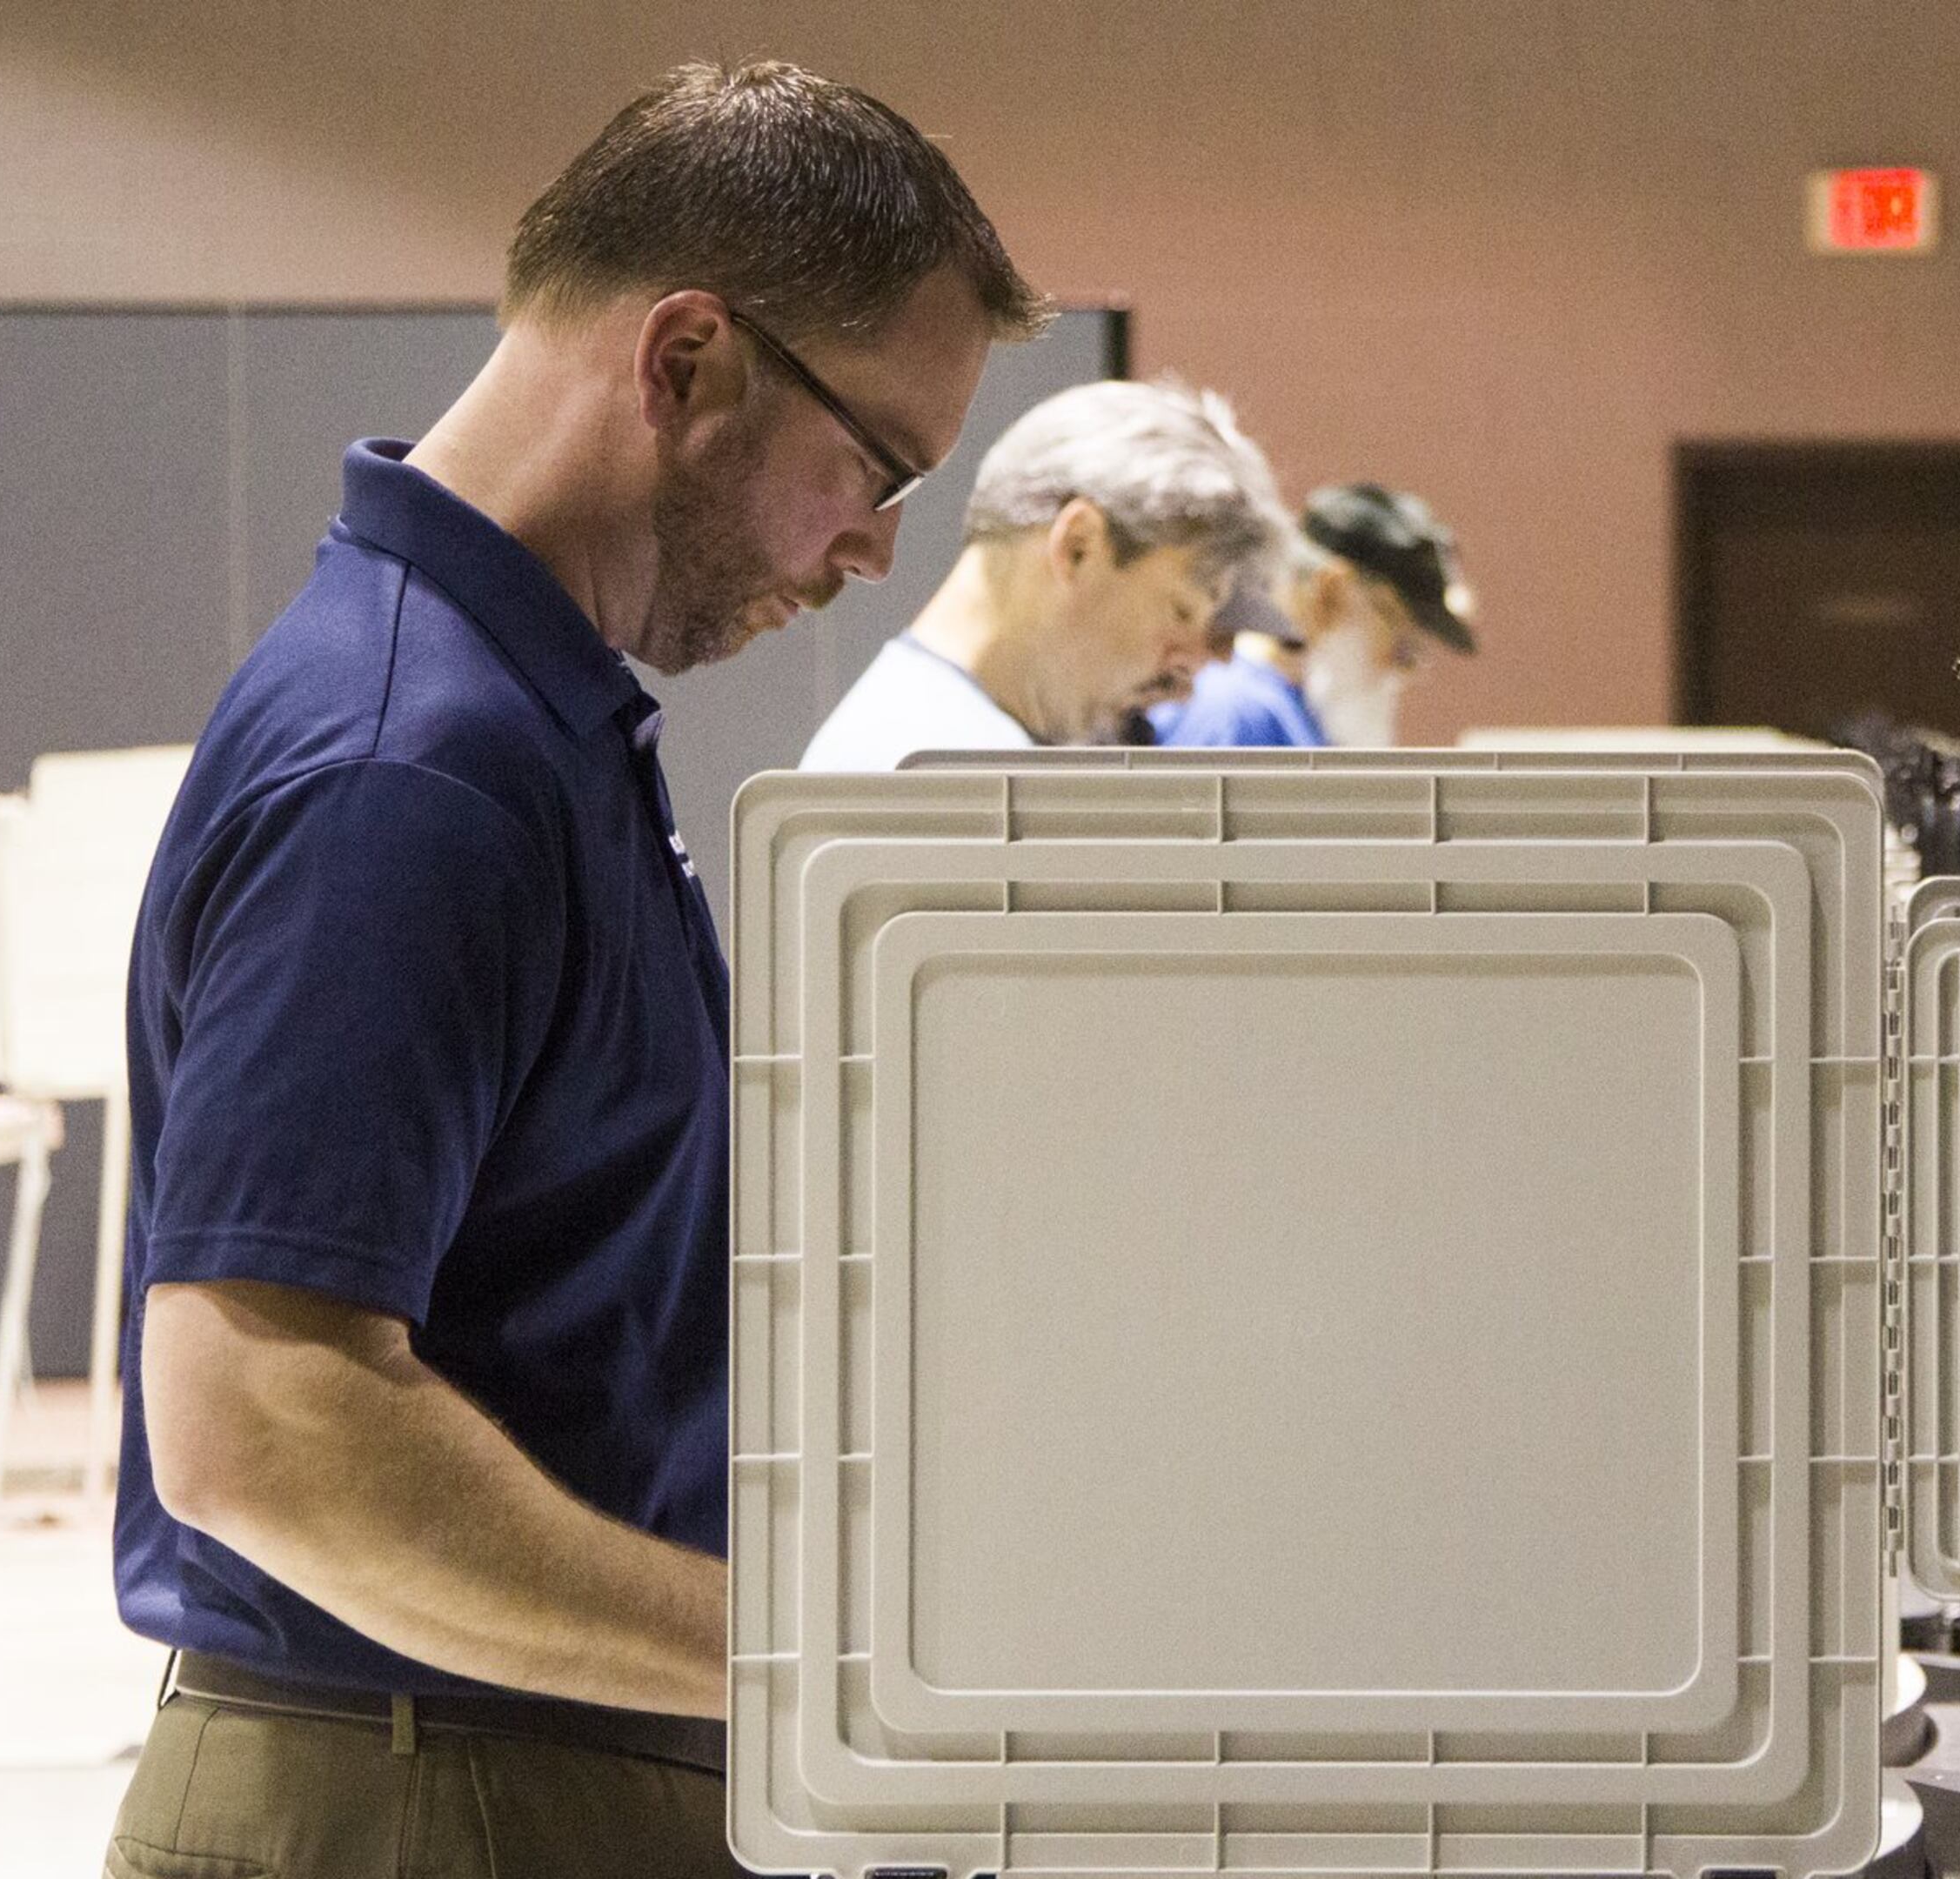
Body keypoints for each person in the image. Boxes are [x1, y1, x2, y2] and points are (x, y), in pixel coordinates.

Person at [105, 61, 1042, 1876]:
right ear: (686, 360)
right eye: (877, 469)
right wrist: (818, 1661)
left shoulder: (524, 726)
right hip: (419, 1789)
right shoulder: (413, 768)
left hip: (499, 1766)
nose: (869, 550)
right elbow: (264, 1431)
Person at [798, 378, 1288, 766]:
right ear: (1078, 547)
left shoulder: (947, 749)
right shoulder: (931, 776)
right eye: (1182, 610)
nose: (1192, 668)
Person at [1153, 480, 1475, 749]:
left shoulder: (1289, 712)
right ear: (1331, 592)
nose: (1403, 670)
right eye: (1405, 645)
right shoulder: (1240, 716)